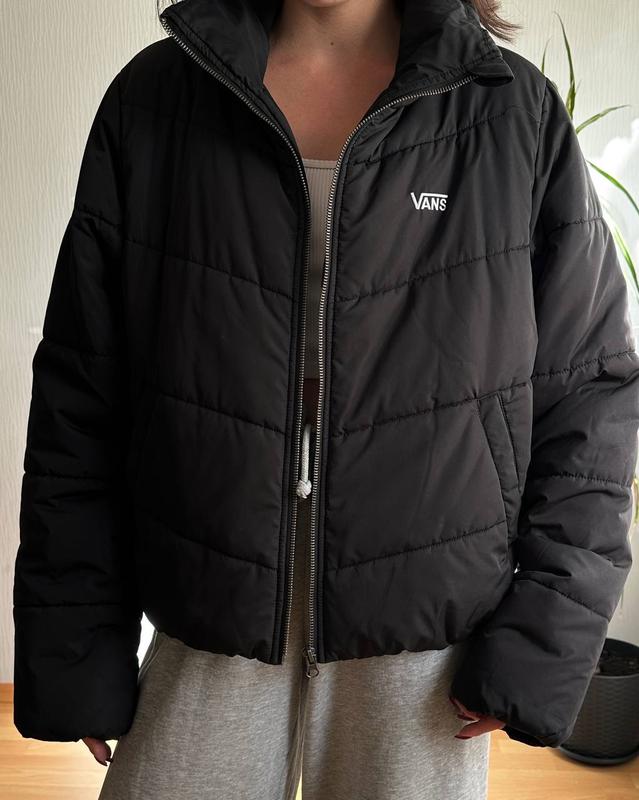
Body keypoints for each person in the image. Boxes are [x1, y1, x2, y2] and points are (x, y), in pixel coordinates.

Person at [12, 0, 639, 798]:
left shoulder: (509, 110)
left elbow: (588, 397)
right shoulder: (160, 96)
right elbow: (81, 391)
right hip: (206, 598)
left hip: (422, 634)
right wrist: (75, 644)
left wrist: (540, 646)